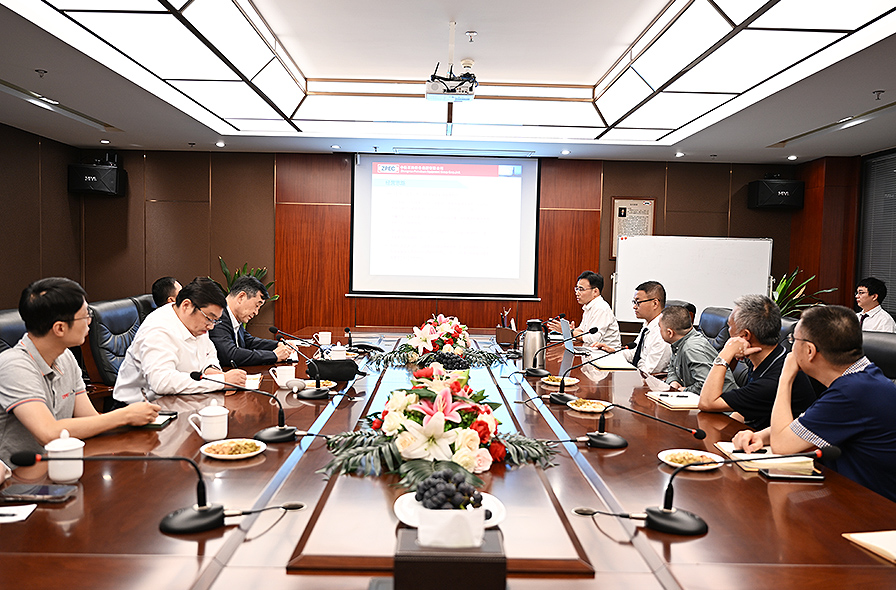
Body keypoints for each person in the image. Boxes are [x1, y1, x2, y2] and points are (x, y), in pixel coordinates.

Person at [732, 305, 896, 502]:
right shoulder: (863, 377)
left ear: (809, 350)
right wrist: (759, 436)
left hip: (871, 507)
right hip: (844, 492)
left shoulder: (852, 392)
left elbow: (782, 445)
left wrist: (786, 377)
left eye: (793, 340)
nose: (791, 347)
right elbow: (806, 424)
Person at [0, 278, 159, 468]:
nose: (90, 321)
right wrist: (124, 415)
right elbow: (48, 433)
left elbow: (89, 419)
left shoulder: (65, 356)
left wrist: (132, 422)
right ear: (60, 328)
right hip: (19, 476)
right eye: (85, 316)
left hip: (62, 465)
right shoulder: (14, 365)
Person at [112, 277, 246, 405]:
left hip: (181, 399)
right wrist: (221, 380)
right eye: (209, 318)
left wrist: (210, 368)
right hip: (137, 408)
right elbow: (162, 382)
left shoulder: (195, 322)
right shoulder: (158, 329)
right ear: (186, 305)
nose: (211, 326)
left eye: (215, 321)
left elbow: (209, 351)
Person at [699, 294, 816, 430]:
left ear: (745, 335)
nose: (728, 331)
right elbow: (744, 410)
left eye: (729, 326)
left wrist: (725, 354)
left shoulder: (772, 380)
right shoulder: (772, 355)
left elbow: (707, 402)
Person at [209, 275, 291, 367]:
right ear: (241, 297)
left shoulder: (234, 316)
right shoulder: (218, 317)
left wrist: (278, 345)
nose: (256, 312)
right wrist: (274, 356)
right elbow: (230, 355)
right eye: (256, 305)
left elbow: (249, 342)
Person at [594, 280, 671, 374]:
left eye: (638, 302)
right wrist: (613, 352)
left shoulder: (662, 333)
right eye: (634, 302)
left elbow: (648, 371)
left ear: (655, 303)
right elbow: (634, 353)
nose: (634, 306)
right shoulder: (648, 326)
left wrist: (635, 364)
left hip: (648, 381)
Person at [660, 305, 736, 393]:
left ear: (670, 333)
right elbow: (672, 367)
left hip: (721, 398)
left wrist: (685, 391)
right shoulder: (678, 341)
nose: (659, 330)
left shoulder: (691, 349)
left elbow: (706, 385)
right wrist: (673, 381)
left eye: (660, 327)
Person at [546, 270, 621, 350]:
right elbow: (582, 331)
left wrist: (569, 332)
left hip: (606, 353)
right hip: (592, 350)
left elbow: (593, 338)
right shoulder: (588, 307)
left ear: (595, 291)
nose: (577, 293)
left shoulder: (601, 308)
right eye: (577, 288)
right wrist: (571, 330)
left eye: (581, 289)